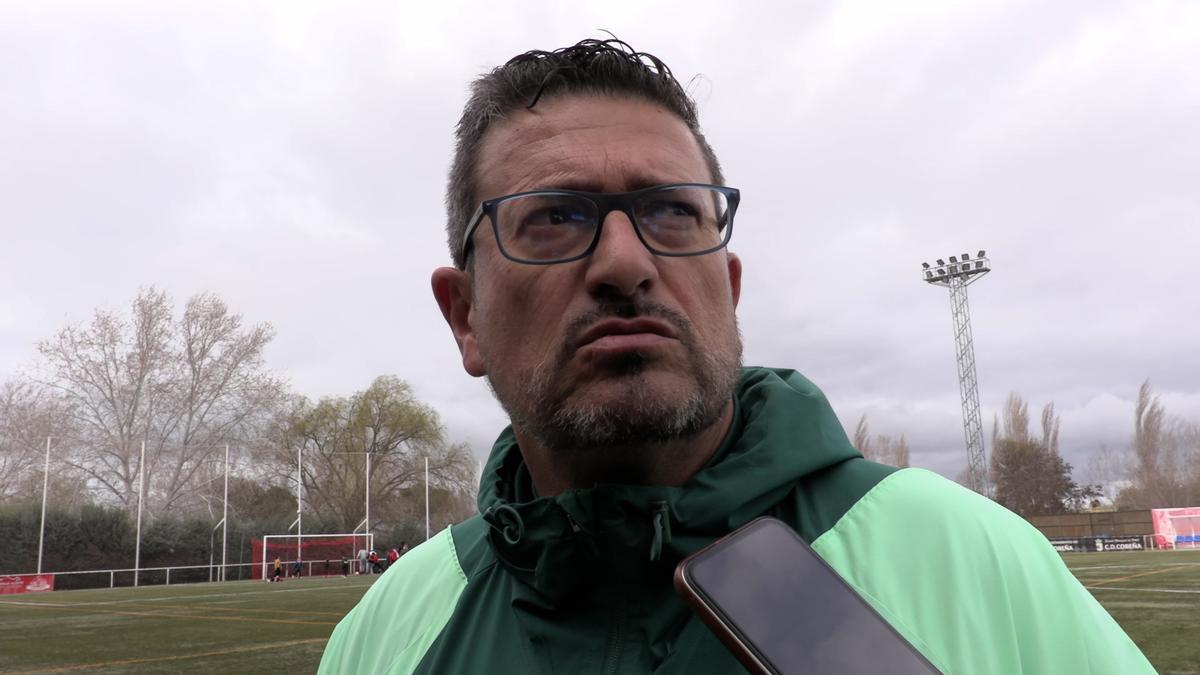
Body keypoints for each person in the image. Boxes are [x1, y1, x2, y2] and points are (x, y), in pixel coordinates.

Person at [319, 37, 1153, 674]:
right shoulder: (386, 630)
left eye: (674, 213)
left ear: (731, 286)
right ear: (464, 316)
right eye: (555, 217)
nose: (624, 262)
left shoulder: (973, 559)